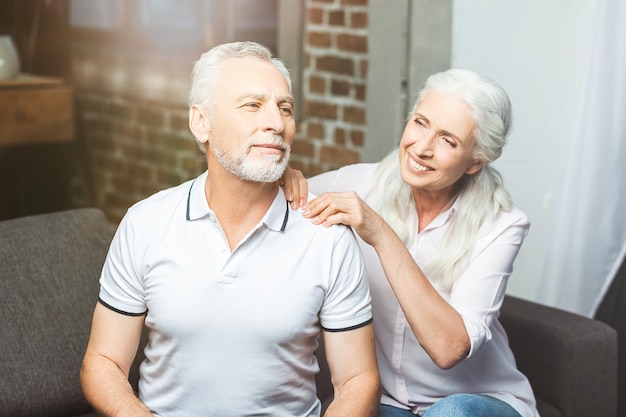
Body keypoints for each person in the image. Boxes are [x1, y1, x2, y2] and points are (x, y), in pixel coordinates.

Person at [80, 41, 380, 417]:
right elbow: (103, 362)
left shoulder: (328, 235)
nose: (276, 122)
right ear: (201, 122)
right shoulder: (145, 223)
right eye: (253, 105)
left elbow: (358, 380)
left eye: (284, 108)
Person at [283, 68, 539, 417]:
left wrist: (380, 232)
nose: (421, 148)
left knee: (451, 412)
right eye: (420, 123)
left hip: (477, 401)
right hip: (391, 403)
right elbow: (276, 201)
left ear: (474, 163)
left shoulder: (503, 225)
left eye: (448, 141)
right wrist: (288, 176)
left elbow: (449, 349)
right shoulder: (358, 182)